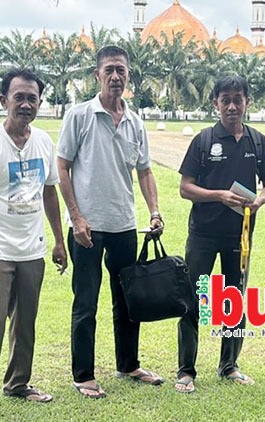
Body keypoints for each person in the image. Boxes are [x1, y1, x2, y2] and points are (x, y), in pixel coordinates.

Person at [56, 45, 164, 399]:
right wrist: (76, 217)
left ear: (128, 75)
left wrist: (154, 211)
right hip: (87, 228)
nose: (116, 76)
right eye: (109, 70)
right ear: (97, 74)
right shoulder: (80, 116)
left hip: (123, 225)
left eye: (121, 70)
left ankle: (128, 364)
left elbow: (144, 171)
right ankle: (83, 375)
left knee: (128, 299)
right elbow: (62, 167)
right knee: (86, 301)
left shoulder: (135, 122)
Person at [0, 68, 67, 422]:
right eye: (18, 97)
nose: (25, 104)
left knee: (25, 322)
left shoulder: (43, 142)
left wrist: (58, 241)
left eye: (32, 99)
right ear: (4, 100)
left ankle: (18, 383)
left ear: (39, 102)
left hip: (32, 251)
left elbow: (49, 192)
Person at [176, 75, 265, 393]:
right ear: (215, 103)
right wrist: (218, 195)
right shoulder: (204, 140)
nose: (232, 106)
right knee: (194, 299)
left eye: (238, 99)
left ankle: (229, 365)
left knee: (234, 299)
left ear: (247, 101)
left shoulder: (258, 142)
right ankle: (186, 370)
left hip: (240, 236)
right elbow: (185, 188)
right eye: (225, 100)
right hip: (203, 235)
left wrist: (261, 200)